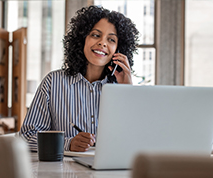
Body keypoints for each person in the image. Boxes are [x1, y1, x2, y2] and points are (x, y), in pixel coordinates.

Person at [20, 5, 139, 152]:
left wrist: (128, 91)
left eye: (111, 39)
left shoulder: (122, 88)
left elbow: (137, 139)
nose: (103, 43)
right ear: (82, 39)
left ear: (119, 50)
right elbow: (26, 137)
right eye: (96, 35)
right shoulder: (52, 82)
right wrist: (67, 144)